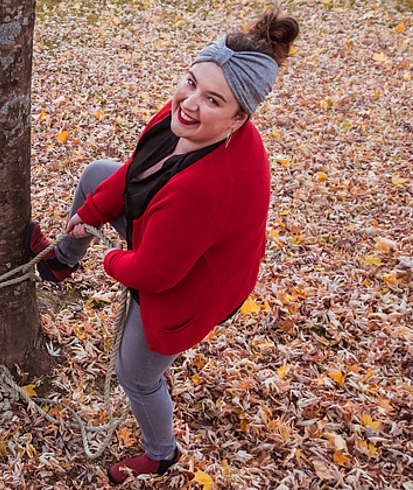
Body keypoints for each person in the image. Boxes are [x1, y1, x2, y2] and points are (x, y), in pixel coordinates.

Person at [26, 8, 299, 484]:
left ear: (240, 119)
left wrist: (108, 254)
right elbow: (132, 172)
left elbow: (155, 274)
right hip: (167, 235)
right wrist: (86, 218)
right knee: (95, 176)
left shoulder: (205, 188)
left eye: (213, 99)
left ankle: (161, 452)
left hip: (190, 285)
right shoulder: (178, 119)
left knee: (137, 373)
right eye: (191, 82)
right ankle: (61, 264)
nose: (189, 103)